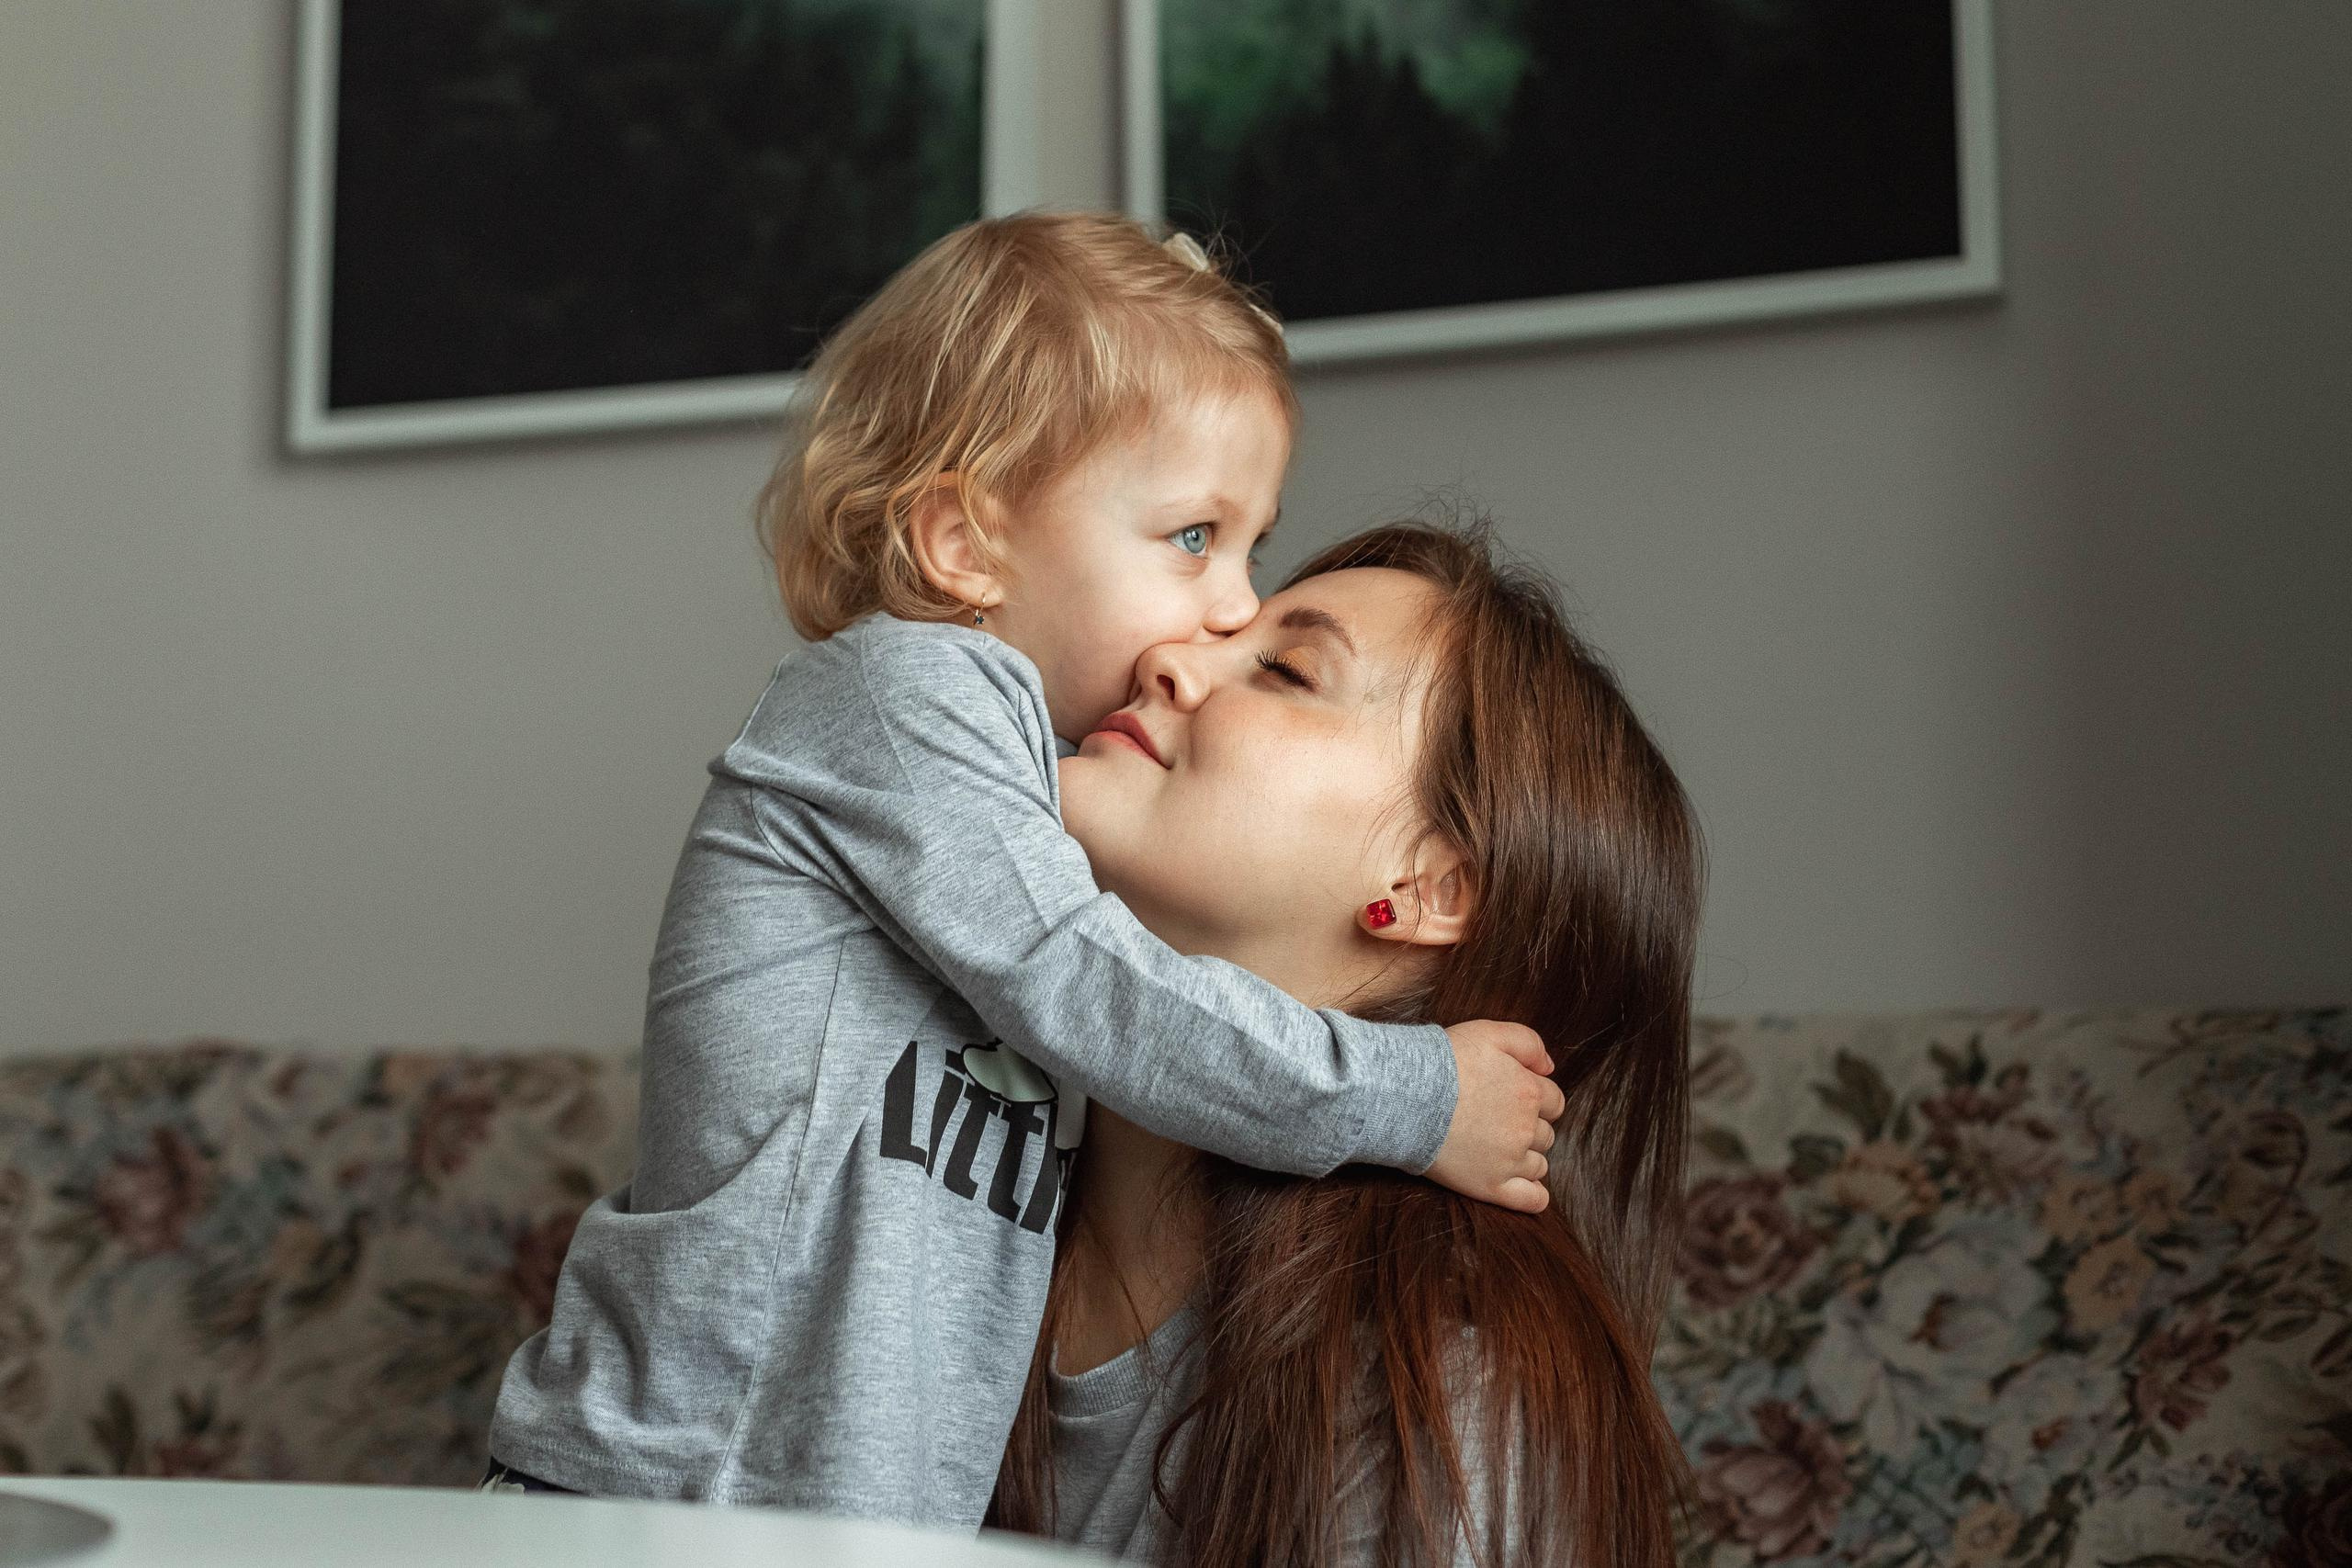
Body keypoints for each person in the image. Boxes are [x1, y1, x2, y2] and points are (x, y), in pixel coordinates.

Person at [482, 215, 1564, 1527]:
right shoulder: (899, 697)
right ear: (964, 543)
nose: (1231, 603)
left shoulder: (1026, 793)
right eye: (1191, 536)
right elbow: (1091, 987)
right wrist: (1413, 1094)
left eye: (1252, 547)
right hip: (670, 1490)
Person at [991, 522, 1701, 1568]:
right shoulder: (931, 1198)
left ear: (1429, 886)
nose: (1164, 659)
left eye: (1285, 669)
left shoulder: (1440, 1394)